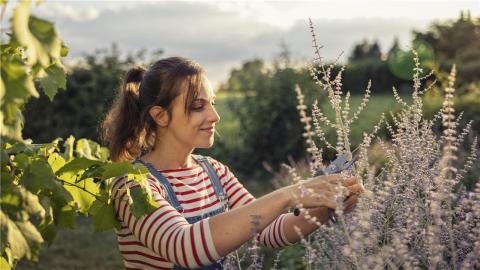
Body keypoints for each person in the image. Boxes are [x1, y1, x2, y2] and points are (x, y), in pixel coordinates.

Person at [101, 57, 364, 269]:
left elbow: (269, 232)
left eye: (212, 103)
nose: (215, 116)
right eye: (198, 106)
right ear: (160, 116)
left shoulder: (214, 172)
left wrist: (326, 209)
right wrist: (291, 194)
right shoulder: (133, 185)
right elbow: (185, 248)